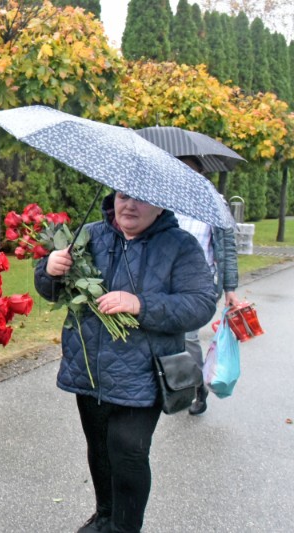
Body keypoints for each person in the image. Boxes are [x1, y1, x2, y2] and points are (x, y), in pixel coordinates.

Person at [34, 191, 217, 533]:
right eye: (123, 196)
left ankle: (125, 526)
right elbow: (52, 289)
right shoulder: (89, 236)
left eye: (142, 199)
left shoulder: (180, 245)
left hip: (143, 371)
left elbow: (201, 304)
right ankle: (104, 515)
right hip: (89, 366)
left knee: (128, 450)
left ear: (162, 203)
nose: (130, 205)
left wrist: (140, 304)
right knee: (99, 447)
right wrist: (49, 270)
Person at [175, 155, 240, 415]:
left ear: (201, 172)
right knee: (173, 340)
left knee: (189, 338)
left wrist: (230, 289)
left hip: (201, 285)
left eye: (190, 169)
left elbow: (227, 249)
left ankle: (197, 388)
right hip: (170, 282)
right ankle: (178, 385)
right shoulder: (166, 202)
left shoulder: (216, 203)